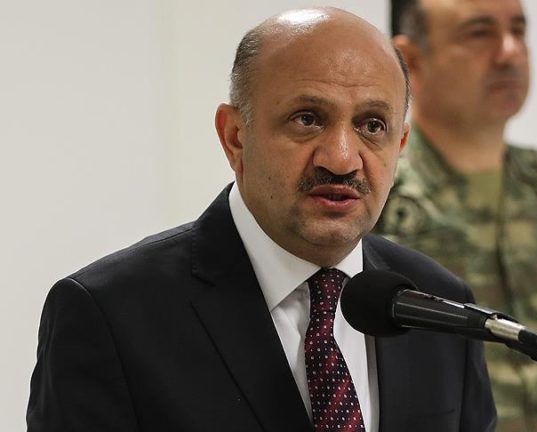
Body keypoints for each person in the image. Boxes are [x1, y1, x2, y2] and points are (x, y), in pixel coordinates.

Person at [26, 7, 496, 432]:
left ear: (400, 145)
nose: (341, 158)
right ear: (235, 137)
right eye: (307, 119)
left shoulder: (443, 308)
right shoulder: (110, 314)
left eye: (372, 125)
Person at [375, 1, 537, 431]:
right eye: (480, 33)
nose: (510, 52)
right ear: (410, 61)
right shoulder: (371, 202)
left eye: (518, 30)